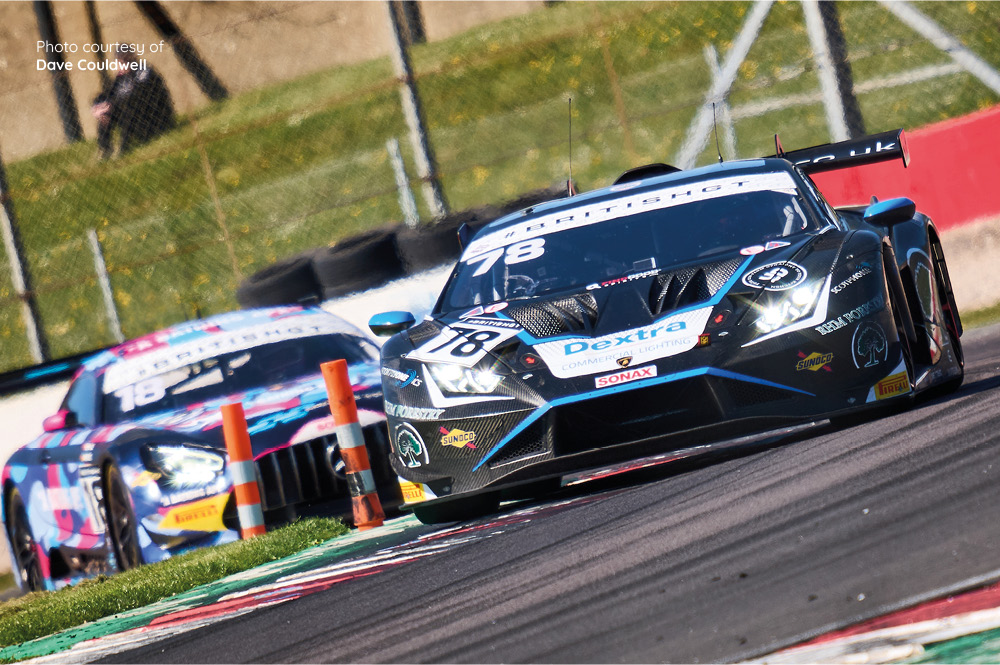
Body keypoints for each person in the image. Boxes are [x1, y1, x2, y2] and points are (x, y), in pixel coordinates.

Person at [91, 46, 175, 159]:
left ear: (132, 58)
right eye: (120, 61)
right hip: (134, 121)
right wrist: (98, 106)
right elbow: (108, 95)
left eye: (125, 59)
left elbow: (140, 95)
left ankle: (124, 149)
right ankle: (105, 150)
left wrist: (112, 105)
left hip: (154, 119)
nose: (122, 64)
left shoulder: (144, 71)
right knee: (105, 113)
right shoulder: (120, 78)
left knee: (128, 106)